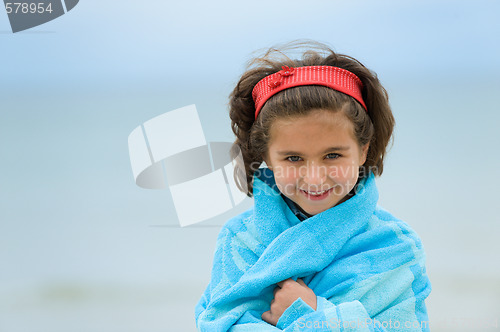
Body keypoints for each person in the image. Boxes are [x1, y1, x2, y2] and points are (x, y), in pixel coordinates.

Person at [195, 40, 432, 331]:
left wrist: (313, 315)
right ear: (265, 157)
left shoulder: (395, 246)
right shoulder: (241, 240)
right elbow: (221, 322)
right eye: (293, 158)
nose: (315, 178)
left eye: (333, 155)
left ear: (363, 150)